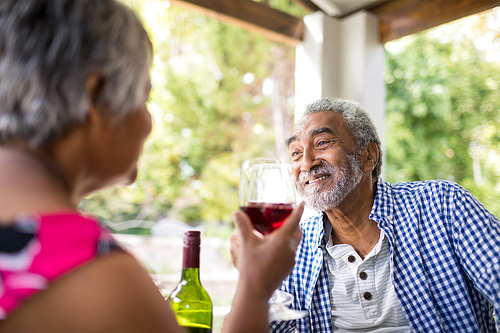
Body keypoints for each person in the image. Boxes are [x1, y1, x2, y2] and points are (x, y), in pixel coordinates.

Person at [0, 0, 304, 332]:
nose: (148, 123)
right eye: (145, 98)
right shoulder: (97, 281)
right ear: (97, 96)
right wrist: (257, 286)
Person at [231, 96, 500, 332]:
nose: (306, 162)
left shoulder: (443, 205)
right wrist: (250, 278)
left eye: (322, 142)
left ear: (368, 156)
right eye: (296, 153)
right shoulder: (292, 246)